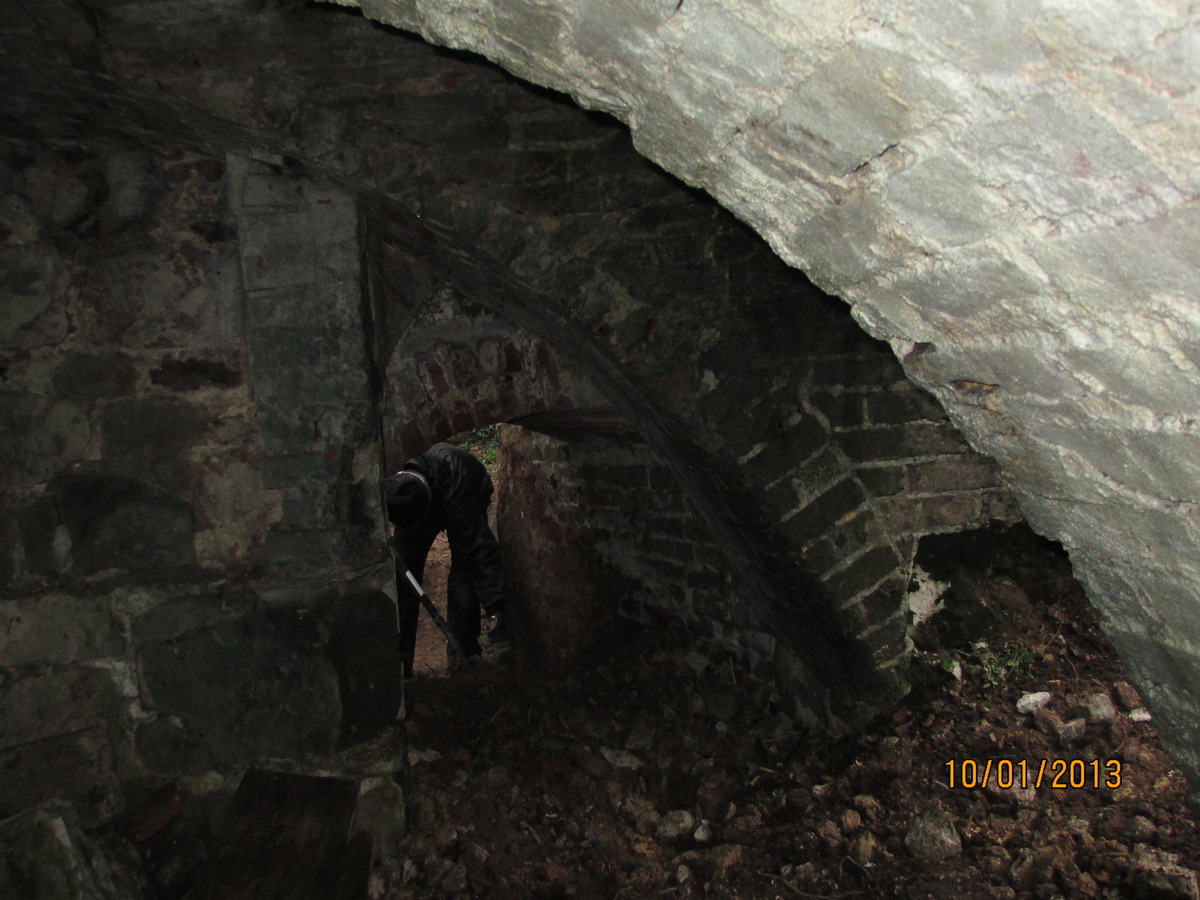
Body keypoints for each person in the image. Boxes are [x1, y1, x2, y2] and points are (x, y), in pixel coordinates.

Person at [384, 442, 509, 676]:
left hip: (466, 488)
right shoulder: (397, 488)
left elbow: (481, 550)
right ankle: (399, 668)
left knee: (464, 575)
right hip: (420, 502)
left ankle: (464, 657)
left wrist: (496, 612)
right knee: (403, 580)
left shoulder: (458, 490)